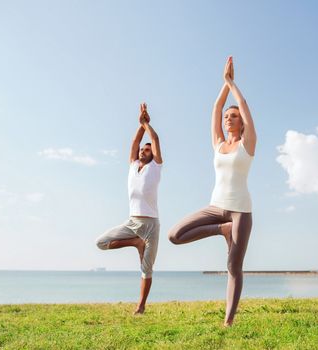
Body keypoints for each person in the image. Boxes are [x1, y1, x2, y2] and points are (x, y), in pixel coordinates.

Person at [168, 56, 256, 326]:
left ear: (241, 123)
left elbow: (243, 105)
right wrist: (223, 85)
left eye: (234, 117)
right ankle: (222, 230)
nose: (229, 119)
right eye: (227, 117)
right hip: (216, 208)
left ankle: (228, 321)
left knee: (233, 266)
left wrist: (232, 83)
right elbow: (216, 108)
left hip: (241, 210)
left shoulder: (248, 144)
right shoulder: (218, 144)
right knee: (175, 235)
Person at [95, 103, 163, 315]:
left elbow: (156, 140)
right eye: (142, 149)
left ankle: (140, 307)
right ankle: (135, 242)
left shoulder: (156, 167)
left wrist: (147, 125)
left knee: (146, 269)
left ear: (152, 155)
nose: (143, 151)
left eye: (147, 150)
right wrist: (140, 126)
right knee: (101, 243)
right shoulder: (133, 166)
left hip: (151, 224)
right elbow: (134, 141)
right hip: (132, 222)